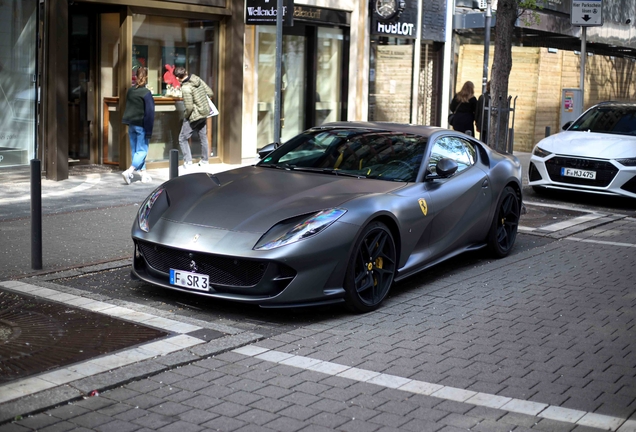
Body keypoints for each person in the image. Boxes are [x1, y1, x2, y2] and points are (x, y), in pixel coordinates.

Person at [173, 66, 214, 167]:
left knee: (182, 138)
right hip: (204, 112)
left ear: (177, 78)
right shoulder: (197, 79)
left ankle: (188, 161)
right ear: (186, 72)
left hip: (194, 115)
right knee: (203, 136)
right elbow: (210, 92)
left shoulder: (185, 88)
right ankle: (205, 161)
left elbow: (189, 107)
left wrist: (185, 117)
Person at [121, 66, 155, 184]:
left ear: (135, 77)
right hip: (142, 126)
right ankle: (129, 171)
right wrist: (149, 131)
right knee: (142, 151)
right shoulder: (146, 93)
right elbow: (150, 113)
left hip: (131, 124)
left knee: (136, 151)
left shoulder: (130, 91)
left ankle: (144, 173)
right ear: (146, 77)